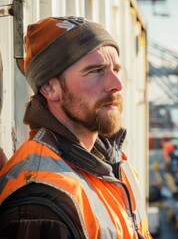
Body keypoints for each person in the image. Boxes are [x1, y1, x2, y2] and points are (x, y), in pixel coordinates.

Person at [0, 16, 152, 239]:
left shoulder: (117, 165)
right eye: (95, 71)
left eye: (115, 69)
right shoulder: (40, 201)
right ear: (50, 88)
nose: (116, 84)